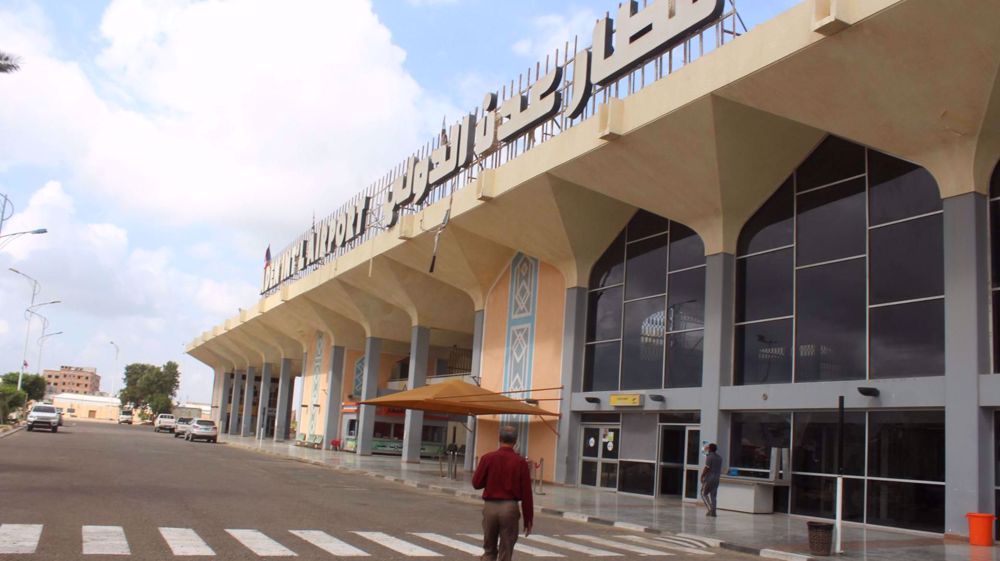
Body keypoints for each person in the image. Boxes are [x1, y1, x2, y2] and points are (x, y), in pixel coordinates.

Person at [472, 425, 534, 561]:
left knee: (489, 550)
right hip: (510, 508)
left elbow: (476, 483)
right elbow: (527, 494)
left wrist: (490, 479)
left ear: (499, 438)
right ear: (516, 441)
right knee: (506, 551)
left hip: (490, 508)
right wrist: (528, 519)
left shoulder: (487, 458)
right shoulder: (520, 462)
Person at [701, 442, 723, 517]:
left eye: (708, 448)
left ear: (710, 449)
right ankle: (714, 511)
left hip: (709, 478)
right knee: (713, 496)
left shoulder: (709, 457)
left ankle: (711, 510)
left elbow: (707, 467)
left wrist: (702, 476)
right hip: (717, 479)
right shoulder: (720, 458)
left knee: (704, 494)